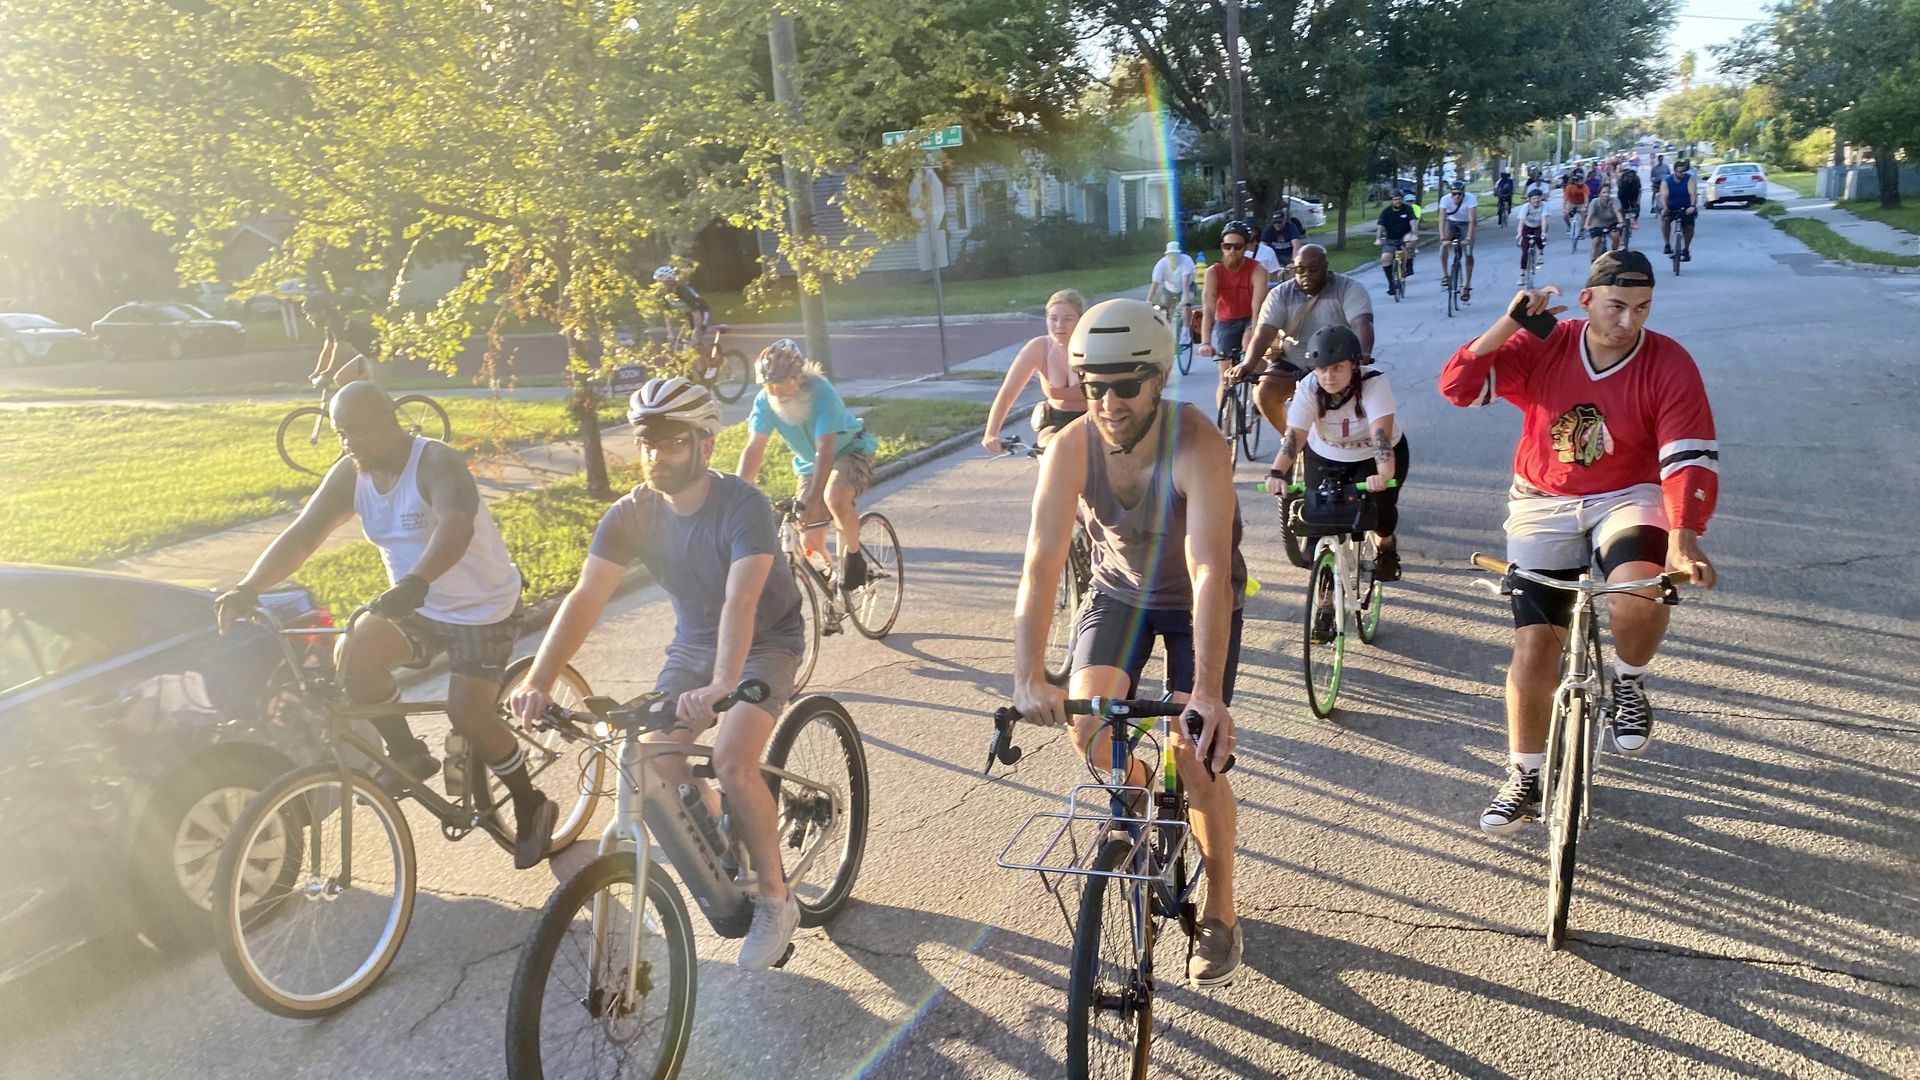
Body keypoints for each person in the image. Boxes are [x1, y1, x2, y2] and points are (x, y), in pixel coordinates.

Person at [511, 377, 808, 969]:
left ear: (705, 445)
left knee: (730, 758)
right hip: (694, 646)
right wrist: (539, 680)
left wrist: (723, 685)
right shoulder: (631, 514)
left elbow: (741, 602)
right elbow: (585, 597)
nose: (655, 455)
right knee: (652, 761)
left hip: (766, 642)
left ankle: (776, 897)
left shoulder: (742, 506)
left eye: (671, 442)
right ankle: (728, 821)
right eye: (646, 441)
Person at [213, 382, 554, 869]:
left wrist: (417, 581)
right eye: (340, 432)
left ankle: (529, 798)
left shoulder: (435, 463)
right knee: (355, 653)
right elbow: (303, 535)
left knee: (468, 712)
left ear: (391, 420)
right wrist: (249, 587)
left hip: (482, 607)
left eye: (357, 429)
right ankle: (408, 753)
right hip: (416, 605)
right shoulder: (351, 476)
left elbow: (455, 528)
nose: (349, 441)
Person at [1437, 251, 1719, 835]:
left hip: (1629, 494)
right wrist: (1511, 322)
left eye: (1642, 309)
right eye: (1616, 306)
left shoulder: (1669, 362)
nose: (1628, 321)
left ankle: (1629, 679)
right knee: (1535, 646)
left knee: (1637, 594)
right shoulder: (1545, 344)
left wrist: (1683, 541)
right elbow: (1458, 388)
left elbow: (1687, 458)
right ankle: (1526, 774)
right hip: (1542, 498)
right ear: (1587, 300)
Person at [1010, 297, 1247, 987]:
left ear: (1159, 378)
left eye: (1124, 384)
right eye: (1093, 385)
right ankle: (1146, 802)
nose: (1107, 401)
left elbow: (1206, 570)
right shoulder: (1070, 448)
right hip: (1118, 595)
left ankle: (1222, 912)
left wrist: (1205, 694)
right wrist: (1028, 675)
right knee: (1088, 729)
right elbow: (1041, 561)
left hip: (1196, 603)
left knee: (1194, 754)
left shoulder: (1198, 442)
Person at [1270, 325, 1410, 590]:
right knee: (1318, 515)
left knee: (1380, 511)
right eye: (1322, 369)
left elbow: (1381, 437)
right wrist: (1277, 472)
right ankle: (1324, 597)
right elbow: (1294, 437)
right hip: (1325, 454)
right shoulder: (1309, 388)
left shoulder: (1373, 384)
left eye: (1337, 368)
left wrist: (1383, 475)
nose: (1329, 376)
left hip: (1372, 456)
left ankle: (1385, 545)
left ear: (1353, 366)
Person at [736, 339, 879, 590]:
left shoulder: (821, 392)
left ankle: (855, 559)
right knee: (809, 543)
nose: (778, 392)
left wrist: (813, 500)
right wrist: (735, 494)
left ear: (799, 377)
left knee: (834, 497)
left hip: (849, 451)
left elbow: (825, 449)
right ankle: (833, 588)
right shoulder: (764, 402)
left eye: (783, 384)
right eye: (770, 387)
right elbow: (754, 449)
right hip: (808, 464)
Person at [1229, 244, 1376, 478]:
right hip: (1293, 361)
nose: (1305, 275)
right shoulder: (1280, 294)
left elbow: (1362, 324)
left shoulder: (1348, 288)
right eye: (1299, 270)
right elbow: (1264, 333)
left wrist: (1363, 353)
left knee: (1335, 407)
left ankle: (1337, 451)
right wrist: (1247, 364)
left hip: (1333, 362)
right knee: (1263, 394)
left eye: (1313, 269)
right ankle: (1295, 442)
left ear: (1326, 268)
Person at [983, 290, 1088, 453]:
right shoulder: (1039, 348)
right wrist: (991, 433)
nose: (1059, 325)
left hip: (1092, 421)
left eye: (1067, 319)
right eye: (1053, 319)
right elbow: (1007, 393)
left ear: (1081, 320)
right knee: (1053, 448)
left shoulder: (1094, 347)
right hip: (1056, 422)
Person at [1197, 221, 1270, 412]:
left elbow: (1258, 305)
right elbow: (1209, 309)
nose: (1231, 251)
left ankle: (1259, 391)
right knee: (1225, 377)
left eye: (1237, 247)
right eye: (1226, 246)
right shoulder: (1213, 272)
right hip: (1226, 321)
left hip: (1250, 318)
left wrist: (1256, 334)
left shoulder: (1258, 270)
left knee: (1249, 344)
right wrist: (1205, 342)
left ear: (1245, 247)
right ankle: (1227, 427)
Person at [655, 265, 715, 360]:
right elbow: (668, 315)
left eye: (662, 283)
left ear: (670, 283)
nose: (659, 287)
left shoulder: (683, 292)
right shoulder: (665, 295)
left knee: (695, 339)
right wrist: (670, 333)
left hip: (701, 312)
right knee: (686, 340)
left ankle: (712, 360)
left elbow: (697, 314)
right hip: (689, 314)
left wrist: (696, 331)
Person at [1436, 180, 1479, 304]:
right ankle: (1445, 274)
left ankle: (1467, 285)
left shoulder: (1470, 199)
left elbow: (1472, 220)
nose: (1457, 196)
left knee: (1469, 252)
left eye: (1459, 194)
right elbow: (1441, 219)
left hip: (1466, 224)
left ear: (1463, 193)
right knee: (1443, 246)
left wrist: (1469, 238)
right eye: (1454, 194)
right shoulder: (1445, 200)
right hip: (1451, 223)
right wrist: (1442, 238)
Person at [1375, 190, 1420, 295]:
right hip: (1391, 239)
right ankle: (1391, 284)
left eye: (1399, 199)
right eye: (1395, 199)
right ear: (1391, 201)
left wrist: (1414, 233)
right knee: (1385, 258)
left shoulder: (1408, 209)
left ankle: (1408, 263)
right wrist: (1378, 238)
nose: (1397, 201)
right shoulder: (1386, 212)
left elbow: (1413, 222)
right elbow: (1380, 226)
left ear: (1402, 199)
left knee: (1410, 241)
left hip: (1405, 236)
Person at [1661, 159, 1701, 262]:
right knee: (1665, 220)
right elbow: (1664, 196)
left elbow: (1693, 193)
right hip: (1671, 208)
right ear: (1675, 171)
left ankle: (1686, 249)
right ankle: (1667, 244)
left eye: (1684, 171)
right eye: (1680, 172)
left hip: (1686, 208)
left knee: (1689, 227)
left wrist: (1692, 206)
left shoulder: (1689, 179)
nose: (1682, 173)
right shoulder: (1667, 181)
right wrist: (1665, 208)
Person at [1515, 189, 1549, 285]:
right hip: (1526, 227)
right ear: (1530, 199)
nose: (1536, 201)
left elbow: (1544, 219)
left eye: (1538, 198)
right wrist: (1519, 233)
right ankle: (1522, 275)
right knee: (1524, 251)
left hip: (1539, 226)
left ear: (1541, 198)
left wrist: (1543, 232)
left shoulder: (1544, 206)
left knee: (1539, 239)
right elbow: (1521, 221)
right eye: (1534, 199)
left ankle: (1541, 252)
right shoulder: (1526, 207)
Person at [1585, 185, 1625, 262]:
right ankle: (1593, 262)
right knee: (1596, 241)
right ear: (1599, 194)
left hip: (1611, 223)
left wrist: (1621, 222)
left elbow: (1618, 213)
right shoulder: (1594, 202)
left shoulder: (1614, 201)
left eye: (1608, 192)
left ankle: (1613, 253)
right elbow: (1590, 215)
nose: (1606, 194)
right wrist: (1586, 225)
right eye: (1604, 192)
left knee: (1615, 236)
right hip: (1597, 224)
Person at [1616, 167, 1643, 244]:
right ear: (1626, 176)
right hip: (1623, 194)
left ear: (1634, 177)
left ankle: (1635, 220)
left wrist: (1637, 203)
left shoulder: (1637, 180)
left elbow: (1639, 192)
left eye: (1632, 177)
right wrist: (1620, 207)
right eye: (1629, 177)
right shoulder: (1622, 181)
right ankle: (1623, 222)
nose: (1630, 179)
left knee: (1636, 206)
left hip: (1634, 193)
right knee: (1622, 208)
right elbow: (1620, 196)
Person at [1561, 168, 1590, 238]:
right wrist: (1564, 208)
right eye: (1580, 181)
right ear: (1576, 181)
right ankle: (1569, 225)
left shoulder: (1585, 187)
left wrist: (1586, 206)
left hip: (1581, 204)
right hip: (1571, 203)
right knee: (1565, 214)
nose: (1582, 182)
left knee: (1584, 213)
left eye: (1582, 180)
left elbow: (1586, 198)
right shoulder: (1569, 187)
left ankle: (1581, 230)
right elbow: (1565, 198)